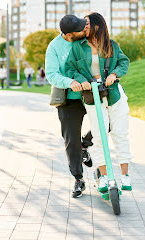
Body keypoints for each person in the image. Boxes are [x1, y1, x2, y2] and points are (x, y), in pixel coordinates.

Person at [65, 12, 132, 193]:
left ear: (97, 25)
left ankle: (125, 175)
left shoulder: (111, 46)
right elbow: (71, 68)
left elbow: (124, 62)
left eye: (86, 23)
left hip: (115, 96)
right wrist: (81, 80)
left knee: (119, 133)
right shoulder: (77, 47)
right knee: (99, 136)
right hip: (92, 96)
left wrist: (113, 74)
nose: (83, 26)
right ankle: (102, 177)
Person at [45, 15, 93, 199]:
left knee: (109, 122)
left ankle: (85, 145)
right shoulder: (54, 47)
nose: (83, 31)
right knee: (70, 140)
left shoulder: (85, 39)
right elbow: (51, 74)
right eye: (79, 30)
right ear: (67, 34)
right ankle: (78, 179)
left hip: (91, 94)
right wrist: (70, 82)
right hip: (69, 99)